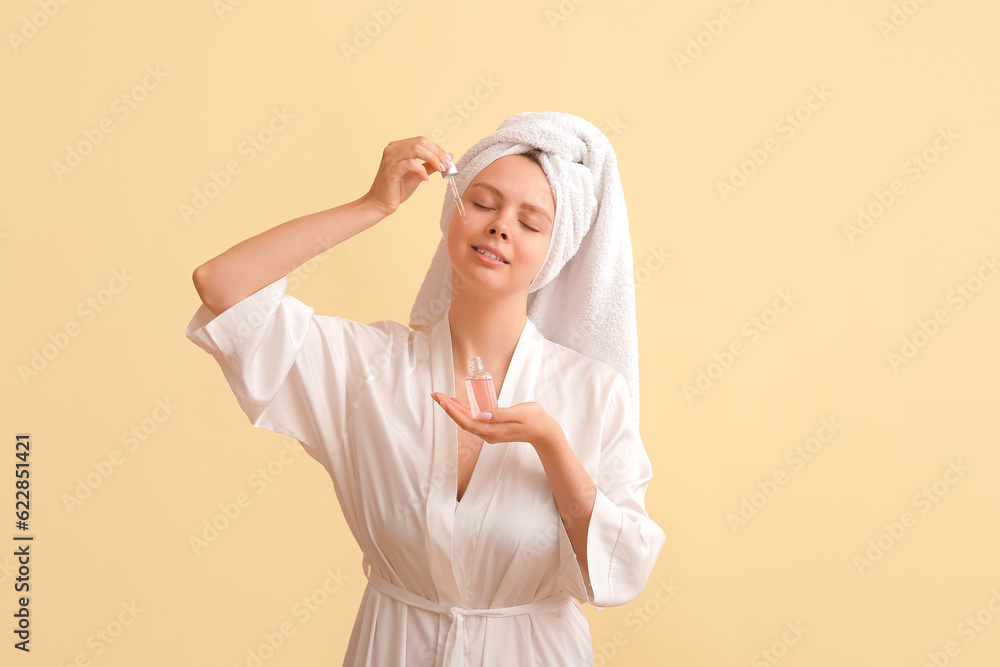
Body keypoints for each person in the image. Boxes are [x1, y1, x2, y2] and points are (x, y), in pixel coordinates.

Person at [185, 111, 665, 667]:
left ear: (553, 253)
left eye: (530, 222)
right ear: (452, 215)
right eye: (483, 203)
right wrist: (373, 206)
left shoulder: (592, 394)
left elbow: (622, 567)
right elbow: (220, 285)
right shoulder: (368, 370)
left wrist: (550, 444)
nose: (500, 226)